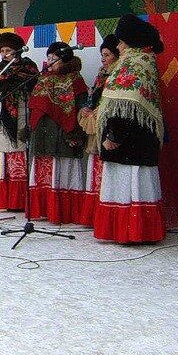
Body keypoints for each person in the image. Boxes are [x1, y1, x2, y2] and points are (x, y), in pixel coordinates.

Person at [94, 15, 166, 244]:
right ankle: (137, 231)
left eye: (121, 42)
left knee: (128, 186)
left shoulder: (134, 64)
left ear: (131, 43)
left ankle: (129, 231)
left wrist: (114, 136)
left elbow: (123, 103)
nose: (118, 46)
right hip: (138, 142)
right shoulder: (145, 61)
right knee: (135, 186)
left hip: (128, 142)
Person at [27, 42, 88, 224]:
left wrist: (76, 133)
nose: (50, 62)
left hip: (63, 135)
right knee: (45, 173)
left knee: (62, 173)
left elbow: (81, 107)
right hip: (42, 135)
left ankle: (64, 212)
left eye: (54, 58)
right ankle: (45, 210)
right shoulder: (43, 79)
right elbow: (35, 107)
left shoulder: (75, 80)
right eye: (49, 58)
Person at [0, 32, 39, 212]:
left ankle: (21, 201)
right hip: (1, 123)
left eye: (9, 50)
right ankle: (8, 201)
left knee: (19, 160)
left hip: (21, 121)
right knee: (6, 162)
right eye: (2, 50)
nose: (5, 54)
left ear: (18, 51)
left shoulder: (29, 70)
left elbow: (35, 98)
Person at [77, 34, 120, 226]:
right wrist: (87, 108)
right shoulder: (101, 75)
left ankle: (108, 217)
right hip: (96, 127)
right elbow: (92, 97)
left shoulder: (120, 75)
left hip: (110, 127)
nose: (103, 58)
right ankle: (95, 215)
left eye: (107, 54)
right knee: (96, 169)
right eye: (102, 54)